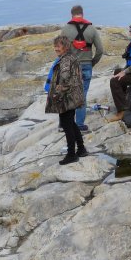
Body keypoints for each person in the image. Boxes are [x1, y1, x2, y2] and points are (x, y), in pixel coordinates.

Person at [60, 5, 104, 132]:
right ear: (82, 14)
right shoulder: (91, 29)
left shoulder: (66, 30)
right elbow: (100, 50)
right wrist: (92, 63)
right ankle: (79, 125)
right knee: (82, 95)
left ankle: (64, 125)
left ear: (71, 15)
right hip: (86, 65)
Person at [46, 35, 88, 165]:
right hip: (73, 96)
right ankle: (81, 149)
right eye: (55, 46)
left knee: (66, 124)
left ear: (65, 46)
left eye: (58, 46)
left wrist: (56, 94)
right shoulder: (71, 57)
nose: (56, 48)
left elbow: (65, 78)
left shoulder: (65, 60)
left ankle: (71, 154)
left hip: (67, 97)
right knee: (71, 123)